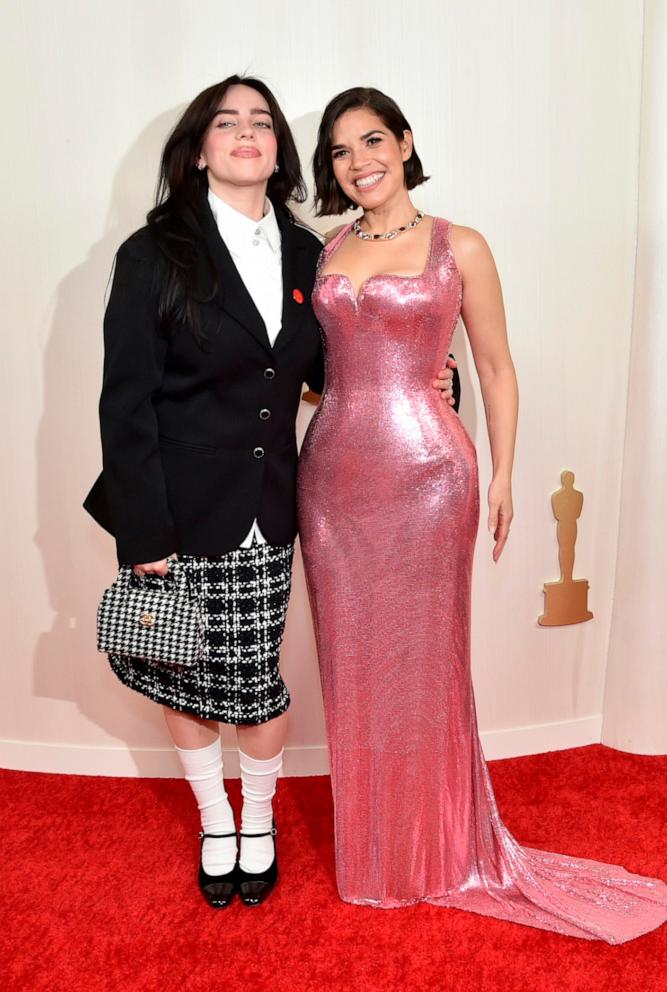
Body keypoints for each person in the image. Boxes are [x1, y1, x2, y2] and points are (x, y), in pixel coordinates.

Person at [297, 86, 667, 942]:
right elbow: (313, 372)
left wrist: (503, 475)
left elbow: (494, 368)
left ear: (406, 142)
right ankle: (377, 855)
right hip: (332, 483)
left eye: (373, 141)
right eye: (342, 151)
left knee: (426, 665)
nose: (360, 162)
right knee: (353, 666)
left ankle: (439, 849)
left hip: (430, 477)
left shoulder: (457, 245)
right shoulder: (321, 251)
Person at [84, 75, 456, 910]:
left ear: (278, 153)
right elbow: (124, 401)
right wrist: (142, 531)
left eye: (262, 122)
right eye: (227, 122)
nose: (246, 133)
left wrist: (429, 379)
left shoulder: (305, 251)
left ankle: (260, 818)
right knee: (183, 675)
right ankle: (215, 820)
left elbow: (328, 367)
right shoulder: (152, 254)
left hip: (276, 504)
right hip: (177, 512)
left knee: (253, 679)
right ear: (200, 147)